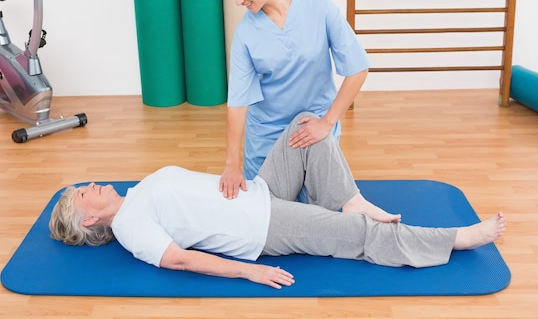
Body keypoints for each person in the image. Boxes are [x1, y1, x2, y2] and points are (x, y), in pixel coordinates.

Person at [49, 112, 506, 289]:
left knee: (304, 129)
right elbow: (181, 261)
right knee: (357, 236)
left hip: (259, 190)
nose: (93, 184)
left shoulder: (138, 192)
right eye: (85, 192)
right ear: (90, 219)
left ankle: (348, 198)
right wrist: (251, 270)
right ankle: (454, 240)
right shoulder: (129, 228)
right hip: (262, 226)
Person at [220, 0, 371, 199]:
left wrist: (327, 122)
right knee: (270, 219)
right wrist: (232, 164)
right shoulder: (245, 32)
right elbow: (238, 102)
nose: (237, 2)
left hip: (314, 131)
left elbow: (357, 69)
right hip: (267, 137)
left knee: (318, 216)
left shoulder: (321, 9)